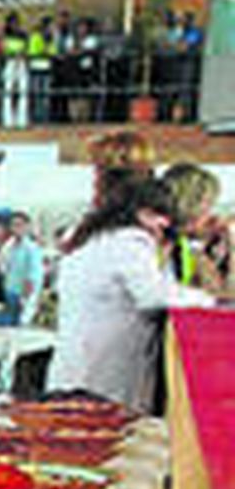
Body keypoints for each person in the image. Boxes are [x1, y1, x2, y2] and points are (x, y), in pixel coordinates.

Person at [51, 177, 211, 413]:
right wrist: (208, 301)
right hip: (105, 371)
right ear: (141, 212)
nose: (166, 223)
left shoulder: (89, 239)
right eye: (160, 215)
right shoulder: (130, 242)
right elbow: (153, 294)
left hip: (75, 364)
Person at [162, 163, 231, 295]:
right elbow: (222, 295)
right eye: (207, 208)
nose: (212, 217)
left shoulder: (184, 244)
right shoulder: (161, 247)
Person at [1, 13, 30, 130]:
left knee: (23, 91)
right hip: (10, 63)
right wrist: (13, 54)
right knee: (8, 91)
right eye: (12, 22)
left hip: (21, 63)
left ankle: (22, 121)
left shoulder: (24, 35)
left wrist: (22, 54)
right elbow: (3, 50)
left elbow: (27, 50)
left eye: (16, 22)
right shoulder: (5, 35)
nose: (14, 25)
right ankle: (8, 121)